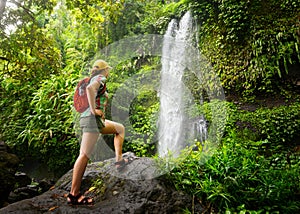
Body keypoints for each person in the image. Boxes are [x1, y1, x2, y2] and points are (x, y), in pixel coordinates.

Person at [67, 59, 131, 205]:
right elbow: (90, 89)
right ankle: (74, 194)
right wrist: (93, 110)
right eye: (107, 69)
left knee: (120, 129)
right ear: (104, 70)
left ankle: (119, 160)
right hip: (92, 120)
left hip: (92, 120)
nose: (108, 72)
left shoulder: (92, 78)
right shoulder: (100, 78)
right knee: (84, 155)